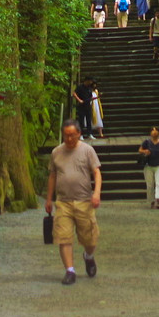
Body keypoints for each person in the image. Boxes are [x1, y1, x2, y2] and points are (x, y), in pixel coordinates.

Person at [45, 121, 102, 285]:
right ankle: (70, 270)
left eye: (72, 135)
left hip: (84, 200)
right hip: (63, 202)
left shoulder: (87, 150)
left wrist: (96, 193)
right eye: (66, 135)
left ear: (78, 133)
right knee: (64, 238)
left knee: (90, 239)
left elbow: (96, 172)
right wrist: (49, 198)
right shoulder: (56, 152)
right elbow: (52, 176)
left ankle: (88, 256)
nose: (69, 138)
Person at [138, 127, 159, 209]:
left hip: (158, 165)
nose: (154, 132)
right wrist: (145, 151)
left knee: (158, 183)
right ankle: (151, 200)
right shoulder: (147, 142)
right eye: (153, 130)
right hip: (148, 165)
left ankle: (158, 200)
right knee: (150, 184)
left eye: (156, 130)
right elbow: (140, 150)